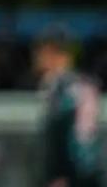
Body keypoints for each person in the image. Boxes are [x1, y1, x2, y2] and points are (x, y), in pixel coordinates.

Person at [33, 25, 103, 187]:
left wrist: (59, 176)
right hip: (82, 175)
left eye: (41, 51)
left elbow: (72, 137)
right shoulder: (82, 85)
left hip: (71, 178)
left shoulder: (64, 88)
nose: (37, 57)